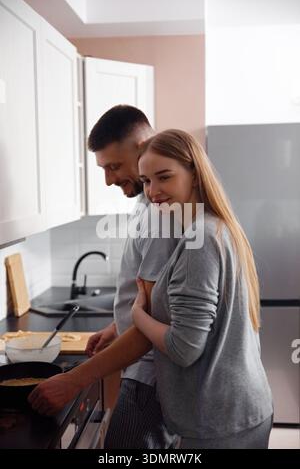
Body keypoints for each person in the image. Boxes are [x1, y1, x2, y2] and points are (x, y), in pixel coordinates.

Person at [29, 106, 178, 449]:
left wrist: (75, 380)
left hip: (150, 377)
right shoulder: (146, 202)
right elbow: (150, 298)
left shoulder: (160, 213)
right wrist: (116, 326)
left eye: (113, 166)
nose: (109, 180)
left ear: (143, 146)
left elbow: (152, 324)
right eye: (104, 168)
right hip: (141, 367)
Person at [130, 129, 274, 449]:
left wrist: (138, 314)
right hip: (240, 408)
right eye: (145, 181)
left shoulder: (201, 241)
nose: (153, 191)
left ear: (194, 175)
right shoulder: (216, 226)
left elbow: (184, 348)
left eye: (163, 177)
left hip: (220, 421)